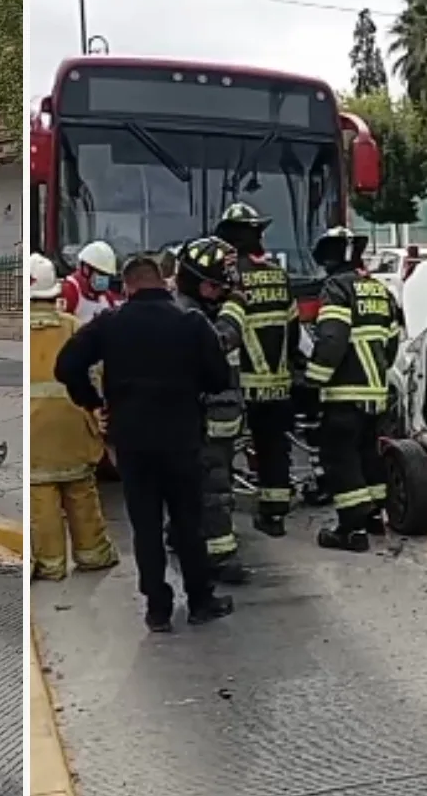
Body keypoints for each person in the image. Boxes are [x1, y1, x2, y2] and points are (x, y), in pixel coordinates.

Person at [55, 255, 235, 632]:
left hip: (133, 443)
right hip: (182, 438)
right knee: (189, 523)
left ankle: (157, 608)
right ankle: (200, 600)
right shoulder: (191, 322)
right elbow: (219, 378)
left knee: (146, 527)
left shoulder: (112, 323)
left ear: (127, 286)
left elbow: (67, 365)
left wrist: (93, 402)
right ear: (162, 284)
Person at [303, 227, 400, 553]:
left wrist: (312, 381)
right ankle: (375, 517)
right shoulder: (379, 290)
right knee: (367, 454)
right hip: (376, 392)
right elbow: (392, 342)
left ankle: (350, 529)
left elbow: (332, 340)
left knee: (339, 458)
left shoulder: (336, 288)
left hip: (344, 393)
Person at [27, 254, 119, 581]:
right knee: (81, 491)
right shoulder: (74, 328)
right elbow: (99, 375)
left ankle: (51, 563)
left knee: (42, 500)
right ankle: (94, 553)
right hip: (76, 427)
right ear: (55, 294)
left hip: (35, 435)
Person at [213, 202, 298, 537]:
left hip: (237, 382)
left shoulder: (231, 278)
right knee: (273, 447)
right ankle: (274, 514)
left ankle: (221, 517)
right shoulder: (279, 273)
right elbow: (293, 330)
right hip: (277, 383)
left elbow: (221, 329)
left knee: (219, 450)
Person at [174, 236, 250, 585]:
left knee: (196, 486)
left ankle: (180, 534)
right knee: (215, 490)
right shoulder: (187, 313)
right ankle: (221, 558)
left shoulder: (199, 307)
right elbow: (218, 344)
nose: (220, 291)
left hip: (210, 418)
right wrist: (235, 310)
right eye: (213, 284)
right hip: (203, 420)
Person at [57, 240, 122, 326]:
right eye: (101, 273)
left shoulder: (106, 297)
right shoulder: (69, 291)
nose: (104, 279)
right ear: (86, 269)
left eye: (107, 275)